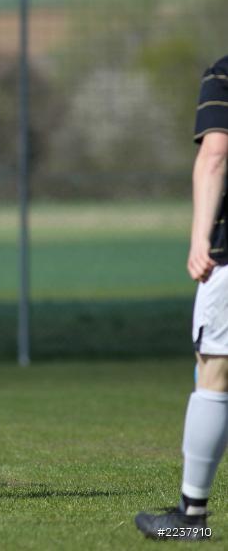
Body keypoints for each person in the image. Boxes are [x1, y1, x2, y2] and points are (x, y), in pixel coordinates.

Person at [135, 56, 228, 541]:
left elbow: (215, 153)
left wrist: (200, 238)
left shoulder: (224, 73)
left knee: (214, 371)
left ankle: (190, 517)